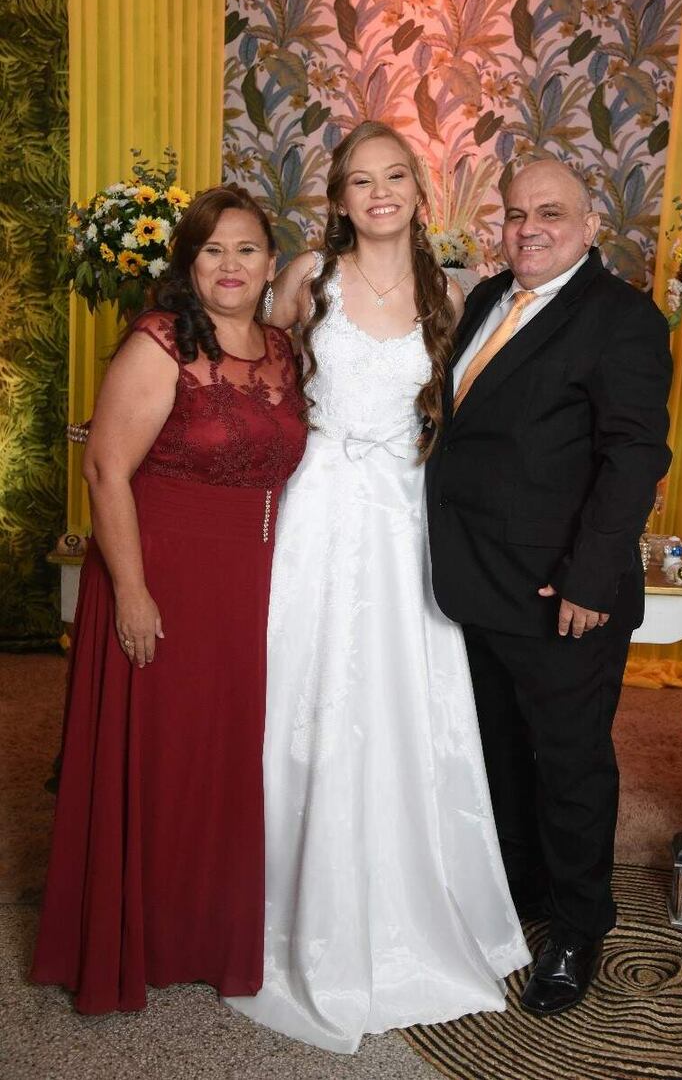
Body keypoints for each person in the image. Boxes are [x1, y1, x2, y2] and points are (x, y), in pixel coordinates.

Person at [226, 121, 530, 1053]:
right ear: (341, 197)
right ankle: (280, 911)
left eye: (395, 176)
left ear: (418, 187)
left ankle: (415, 900)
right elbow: (255, 382)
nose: (380, 194)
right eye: (361, 181)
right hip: (319, 510)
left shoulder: (454, 292)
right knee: (307, 694)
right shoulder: (307, 277)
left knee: (403, 702)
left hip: (404, 518)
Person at [31, 185, 307, 1014]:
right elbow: (105, 469)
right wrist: (132, 595)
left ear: (270, 265)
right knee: (160, 757)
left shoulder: (285, 350)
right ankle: (134, 936)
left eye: (247, 249)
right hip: (164, 577)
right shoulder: (159, 342)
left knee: (225, 762)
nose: (230, 265)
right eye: (213, 250)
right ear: (190, 264)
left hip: (255, 580)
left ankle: (205, 933)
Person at [426, 159, 672, 1017]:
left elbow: (635, 455)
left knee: (569, 766)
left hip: (563, 595)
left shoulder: (623, 319)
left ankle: (578, 928)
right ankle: (523, 894)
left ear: (591, 224)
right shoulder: (490, 295)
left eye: (550, 214)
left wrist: (589, 579)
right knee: (499, 754)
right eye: (515, 214)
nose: (528, 229)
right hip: (476, 585)